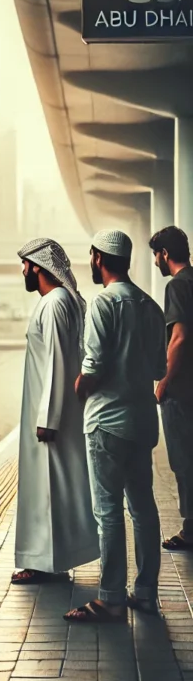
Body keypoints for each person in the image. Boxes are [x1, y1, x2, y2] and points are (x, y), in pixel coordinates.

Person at [65, 230, 166, 623]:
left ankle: (110, 597)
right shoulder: (151, 306)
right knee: (143, 508)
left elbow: (93, 366)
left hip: (107, 422)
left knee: (107, 510)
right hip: (142, 422)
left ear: (99, 258)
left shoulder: (103, 303)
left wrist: (78, 387)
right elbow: (159, 369)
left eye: (91, 256)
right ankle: (145, 592)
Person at [13, 239, 99, 585]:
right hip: (56, 412)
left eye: (25, 265)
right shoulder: (60, 302)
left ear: (38, 266)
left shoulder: (54, 303)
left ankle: (47, 563)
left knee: (50, 487)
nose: (23, 271)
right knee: (52, 488)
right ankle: (51, 560)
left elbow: (58, 363)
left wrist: (48, 418)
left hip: (52, 417)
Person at [149, 226, 193, 551]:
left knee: (183, 459)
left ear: (165, 254)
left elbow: (179, 336)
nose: (155, 262)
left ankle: (190, 530)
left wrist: (163, 381)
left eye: (155, 255)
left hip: (183, 390)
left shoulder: (177, 286)